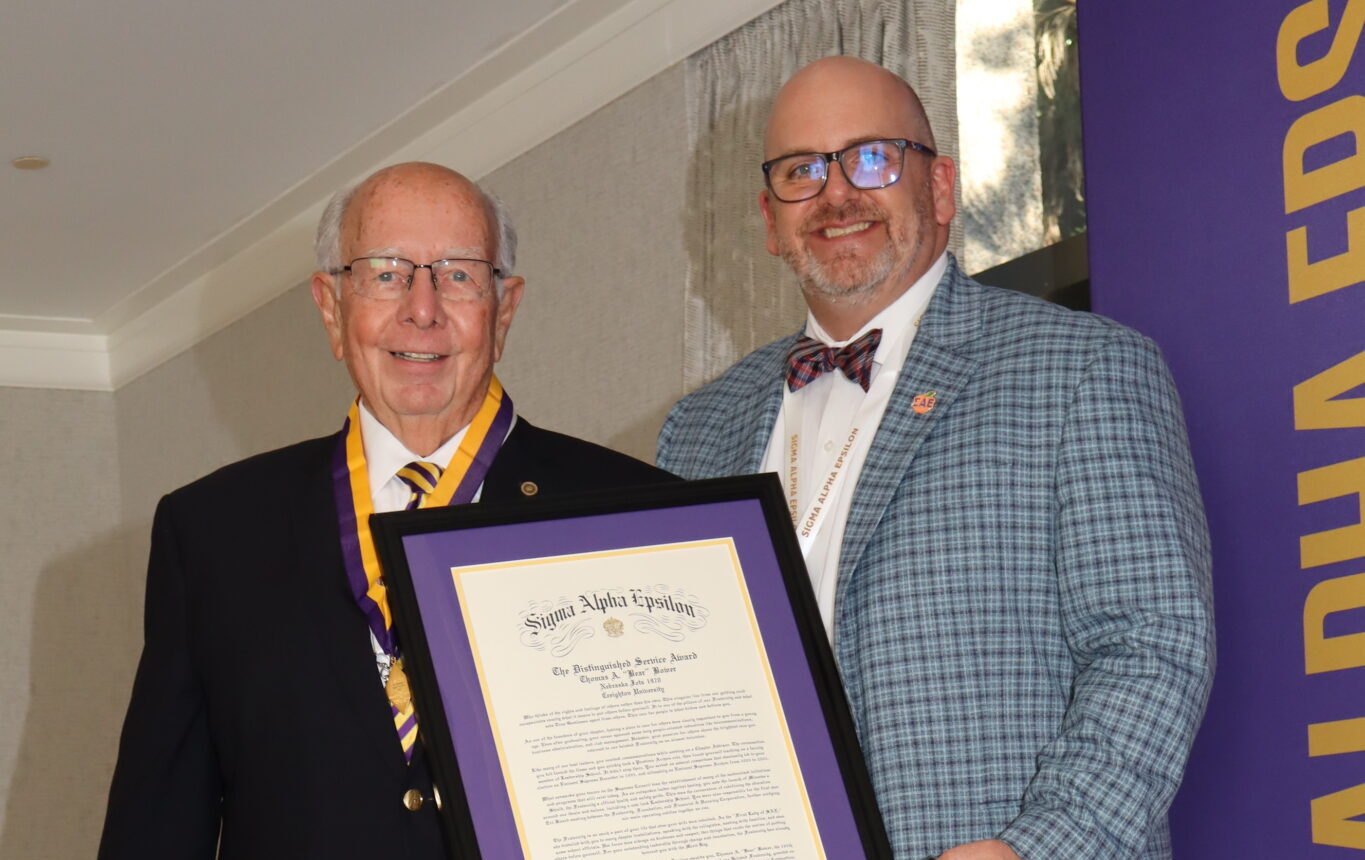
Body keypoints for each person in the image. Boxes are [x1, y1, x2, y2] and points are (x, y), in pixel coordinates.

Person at [657, 57, 1214, 860]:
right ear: (770, 220)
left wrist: (1037, 847)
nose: (835, 193)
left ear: (941, 188)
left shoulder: (1080, 367)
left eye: (871, 157)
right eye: (800, 170)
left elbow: (1150, 643)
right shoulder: (697, 428)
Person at [99, 162, 670, 859]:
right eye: (386, 274)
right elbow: (156, 828)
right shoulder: (213, 531)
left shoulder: (635, 514)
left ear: (504, 310)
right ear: (331, 308)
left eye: (457, 274)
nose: (422, 309)